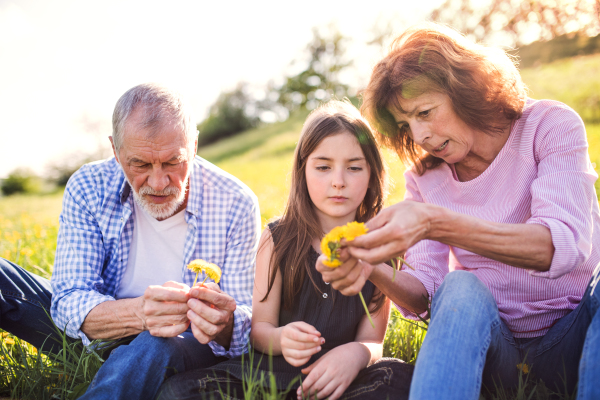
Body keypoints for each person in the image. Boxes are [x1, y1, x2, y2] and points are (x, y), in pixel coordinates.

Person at [315, 23, 600, 400]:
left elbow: (559, 247)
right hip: (495, 351)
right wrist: (370, 267)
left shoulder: (549, 126)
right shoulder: (425, 178)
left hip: (577, 337)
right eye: (406, 124)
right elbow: (425, 295)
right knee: (458, 285)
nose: (418, 137)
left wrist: (436, 223)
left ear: (466, 89)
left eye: (425, 112)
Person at [0, 83, 260, 400]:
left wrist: (224, 322)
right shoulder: (88, 186)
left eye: (173, 162)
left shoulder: (236, 202)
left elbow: (247, 331)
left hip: (180, 343)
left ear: (193, 146)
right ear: (115, 150)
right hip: (99, 331)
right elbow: (68, 298)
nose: (158, 182)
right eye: (139, 164)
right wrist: (139, 314)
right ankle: (124, 369)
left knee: (155, 342)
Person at [156, 100, 414, 400]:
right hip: (267, 377)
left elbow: (373, 341)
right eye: (323, 167)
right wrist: (282, 339)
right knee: (177, 393)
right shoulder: (278, 238)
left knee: (400, 379)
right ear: (303, 171)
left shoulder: (382, 247)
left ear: (372, 175)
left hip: (339, 383)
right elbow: (260, 331)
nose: (338, 181)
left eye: (354, 167)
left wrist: (354, 356)